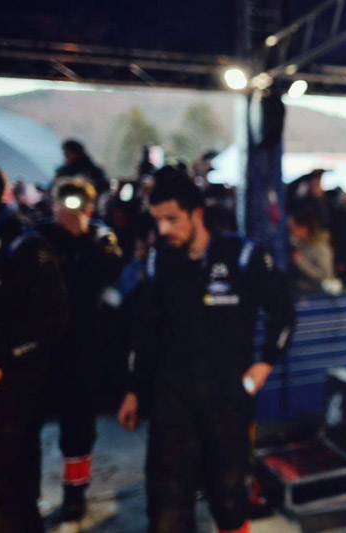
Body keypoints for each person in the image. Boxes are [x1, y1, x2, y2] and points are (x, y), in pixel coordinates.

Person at [117, 170, 295, 533]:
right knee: (167, 505)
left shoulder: (243, 256)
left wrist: (264, 363)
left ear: (196, 213)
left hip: (226, 401)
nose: (163, 229)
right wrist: (133, 389)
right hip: (171, 403)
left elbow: (283, 311)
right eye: (157, 220)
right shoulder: (159, 261)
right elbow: (143, 332)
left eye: (172, 219)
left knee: (230, 501)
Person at [36, 177, 123, 522]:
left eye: (80, 204)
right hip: (43, 349)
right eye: (65, 203)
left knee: (78, 428)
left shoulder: (100, 241)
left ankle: (75, 493)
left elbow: (113, 277)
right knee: (27, 428)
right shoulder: (39, 239)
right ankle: (25, 495)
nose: (72, 211)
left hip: (82, 350)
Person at [0, 166, 69, 532]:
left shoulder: (25, 245)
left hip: (17, 383)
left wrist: (5, 359)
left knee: (11, 481)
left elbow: (53, 319)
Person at [288, 211, 337, 293]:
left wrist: (302, 263)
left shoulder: (320, 248)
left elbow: (326, 277)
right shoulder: (300, 246)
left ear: (304, 229)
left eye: (294, 229)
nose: (291, 232)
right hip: (301, 292)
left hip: (315, 295)